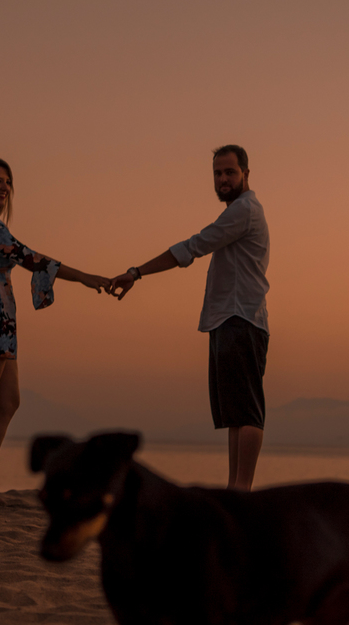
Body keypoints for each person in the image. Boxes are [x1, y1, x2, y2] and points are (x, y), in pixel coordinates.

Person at [0, 156, 109, 505]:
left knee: (7, 402)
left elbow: (24, 258)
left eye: (8, 182)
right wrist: (84, 277)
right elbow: (30, 258)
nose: (4, 188)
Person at [108, 145, 270, 490]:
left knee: (248, 411)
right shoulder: (238, 212)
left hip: (242, 319)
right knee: (234, 416)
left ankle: (242, 490)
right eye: (217, 173)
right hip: (227, 320)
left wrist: (136, 273)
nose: (223, 179)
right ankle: (235, 490)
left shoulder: (245, 210)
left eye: (230, 172)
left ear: (246, 174)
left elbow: (193, 246)